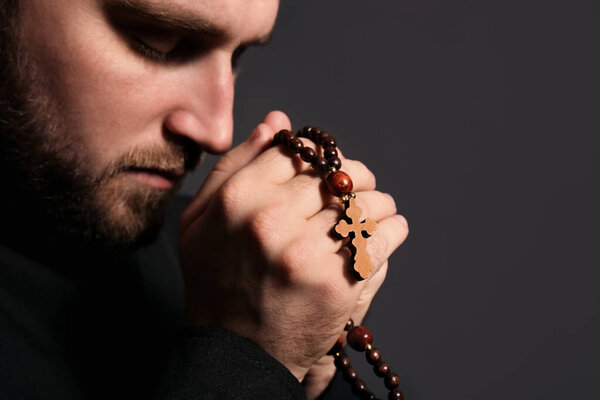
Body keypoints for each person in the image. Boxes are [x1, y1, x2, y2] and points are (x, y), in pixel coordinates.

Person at [0, 0, 409, 398]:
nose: (218, 133)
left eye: (237, 56)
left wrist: (309, 370)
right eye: (157, 41)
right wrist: (242, 363)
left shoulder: (226, 264)